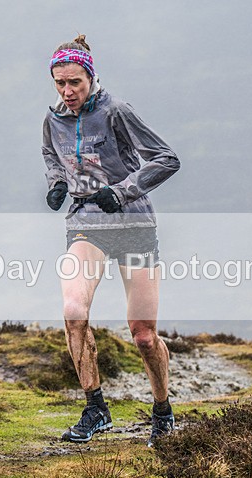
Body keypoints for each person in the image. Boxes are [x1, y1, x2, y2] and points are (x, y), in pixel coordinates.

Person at [42, 35, 181, 446]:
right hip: (85, 222)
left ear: (90, 76)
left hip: (134, 224)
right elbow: (51, 154)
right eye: (59, 83)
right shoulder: (53, 119)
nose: (68, 92)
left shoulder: (116, 110)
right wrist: (55, 184)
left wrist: (122, 191)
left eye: (75, 82)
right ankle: (95, 408)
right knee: (73, 310)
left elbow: (166, 158)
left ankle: (162, 410)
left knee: (142, 333)